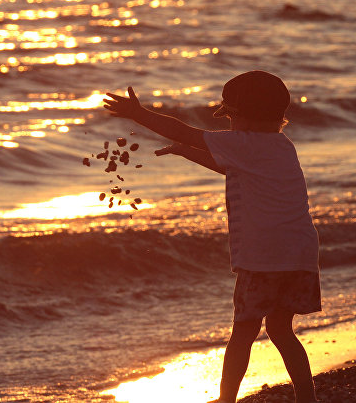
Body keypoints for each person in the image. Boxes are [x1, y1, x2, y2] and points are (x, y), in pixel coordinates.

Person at [103, 70, 321, 403]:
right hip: (300, 254)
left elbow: (183, 130)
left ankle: (226, 400)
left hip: (263, 259)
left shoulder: (244, 142)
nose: (229, 123)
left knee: (244, 332)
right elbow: (232, 167)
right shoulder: (281, 146)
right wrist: (185, 152)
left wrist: (138, 114)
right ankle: (307, 398)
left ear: (241, 115)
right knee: (280, 329)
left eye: (230, 115)